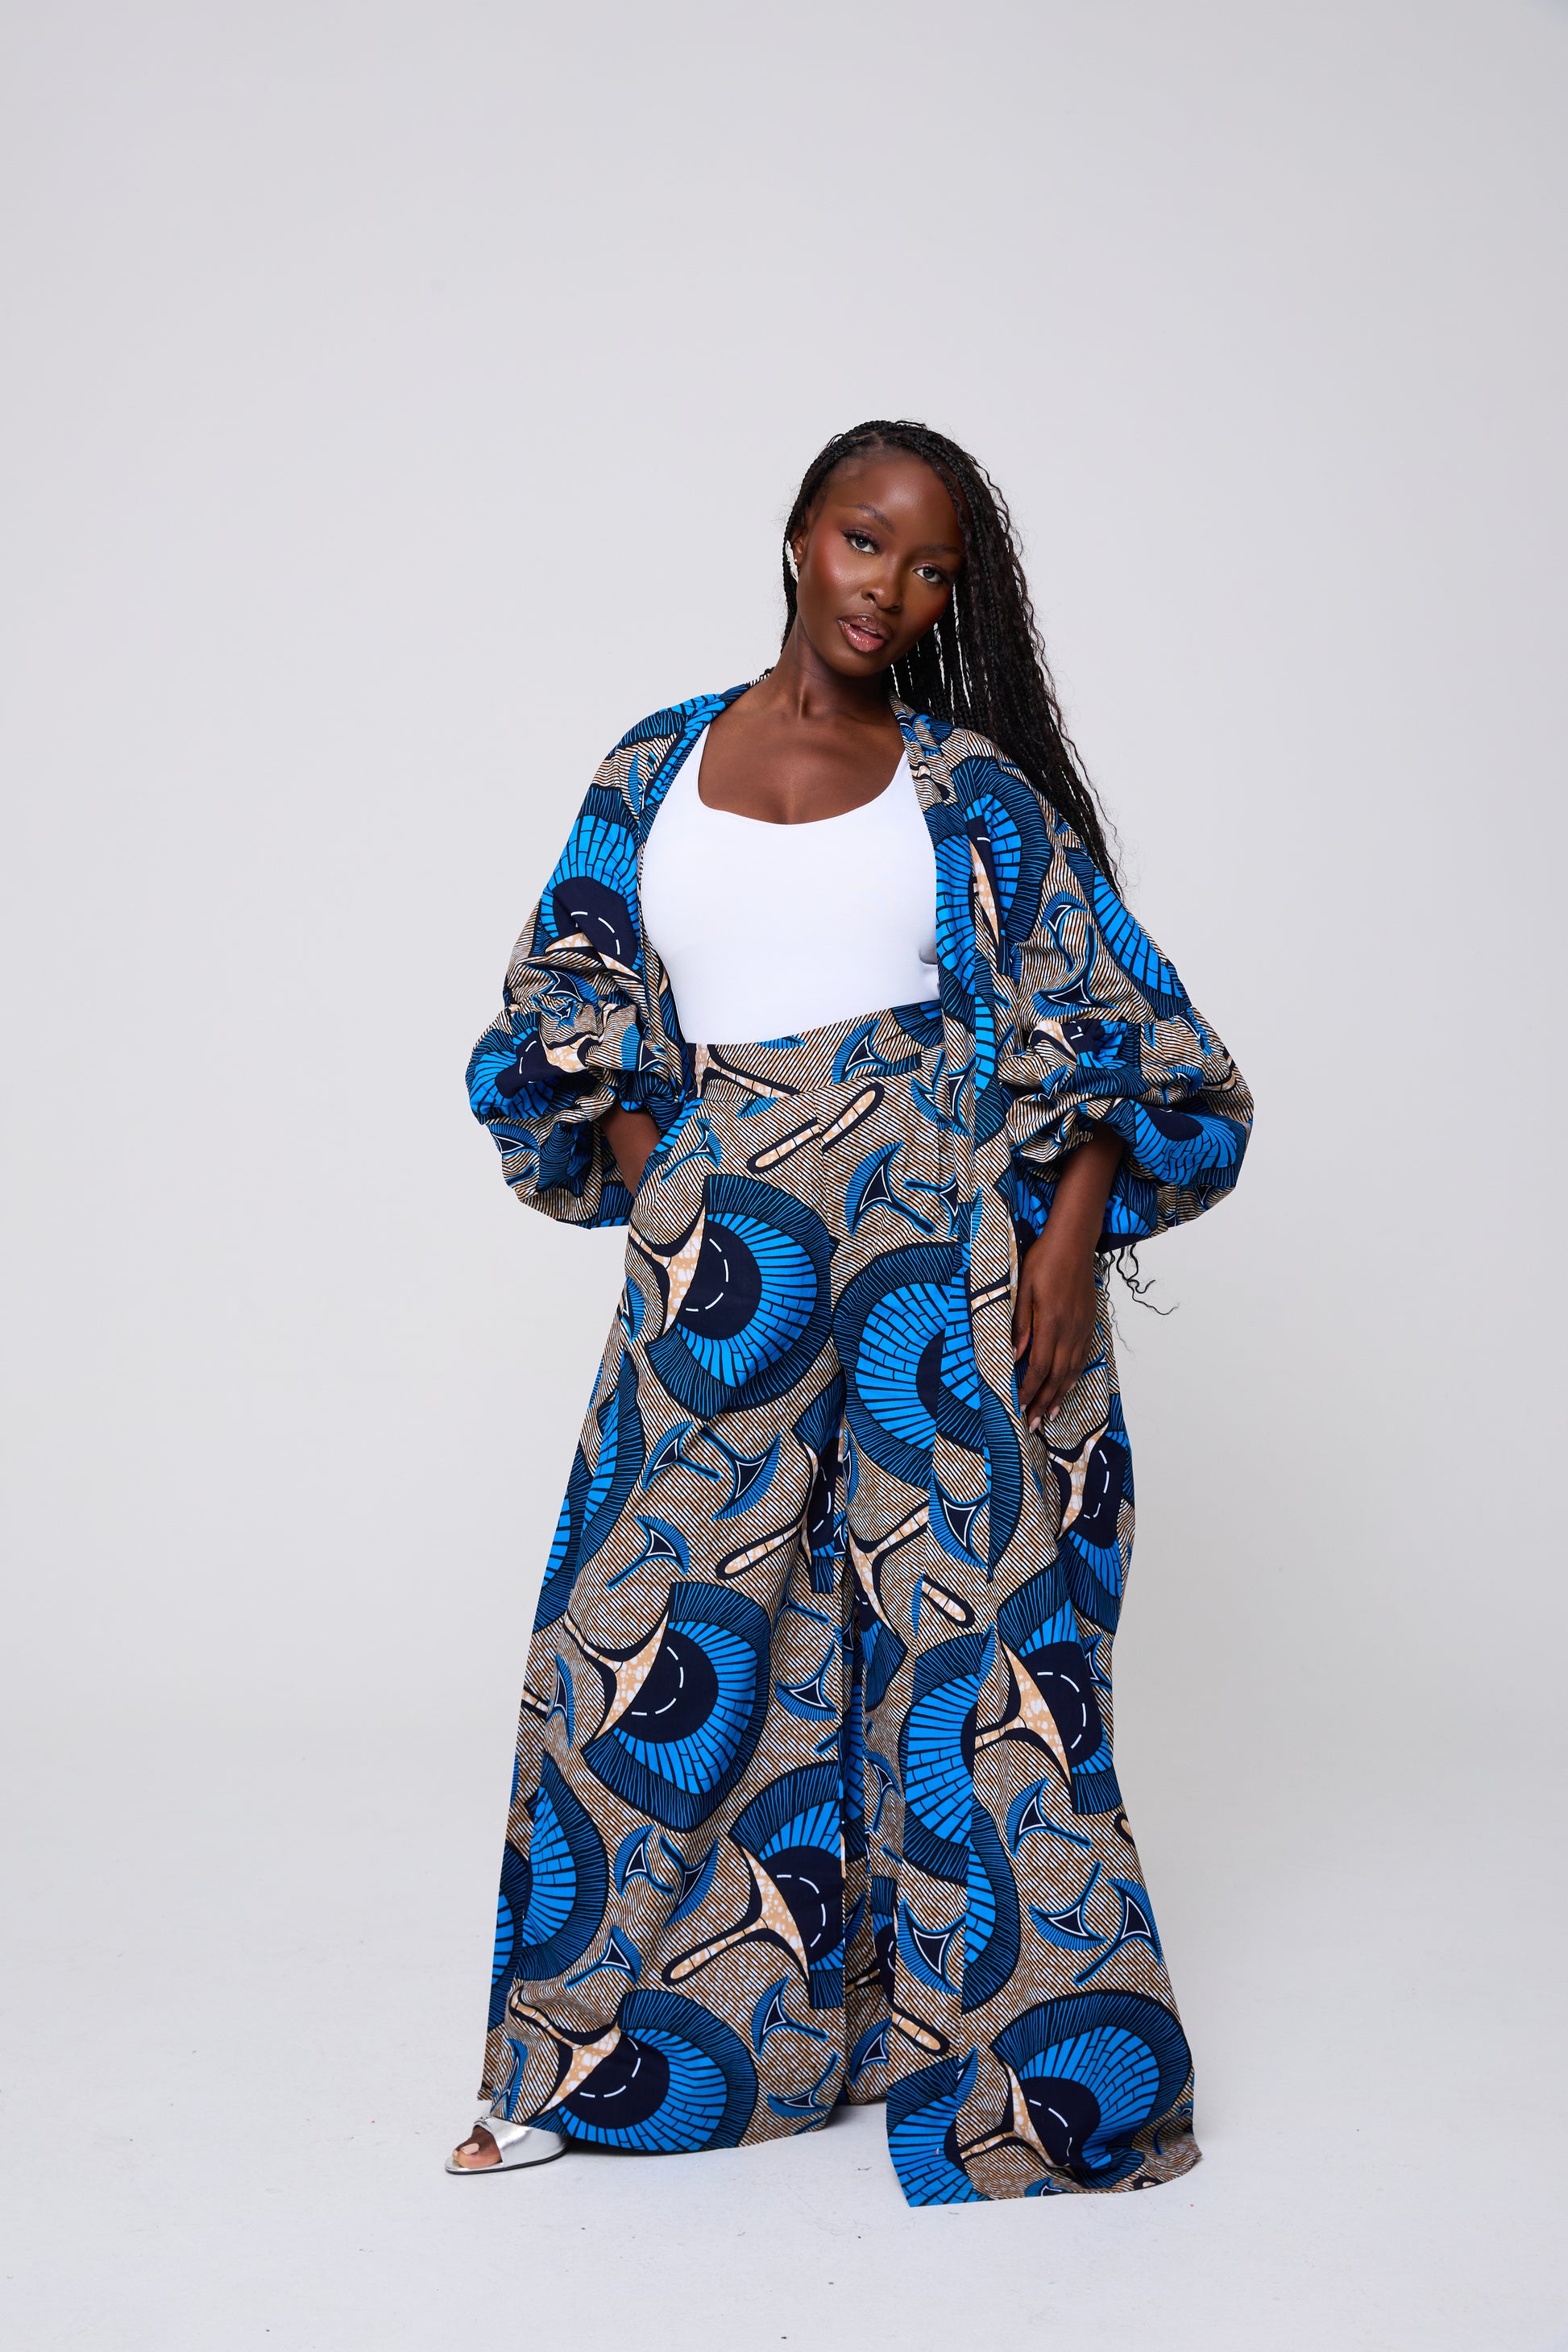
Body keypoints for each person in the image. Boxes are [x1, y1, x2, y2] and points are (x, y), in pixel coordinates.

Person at [451, 420, 1252, 2205]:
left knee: (979, 1656)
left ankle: (1035, 2089)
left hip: (940, 1253)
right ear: (800, 535)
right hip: (727, 1259)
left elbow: (1126, 1036)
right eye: (865, 540)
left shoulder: (967, 791)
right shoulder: (654, 763)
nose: (891, 587)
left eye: (932, 567)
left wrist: (1065, 1247)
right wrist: (670, 1179)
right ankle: (590, 2067)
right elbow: (565, 1003)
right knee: (646, 1631)